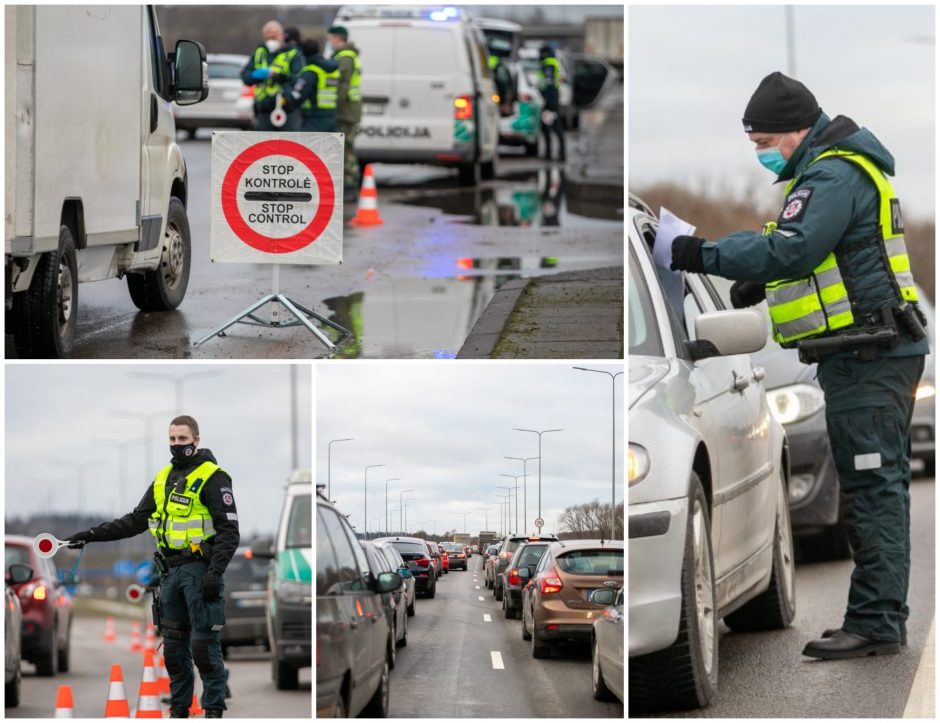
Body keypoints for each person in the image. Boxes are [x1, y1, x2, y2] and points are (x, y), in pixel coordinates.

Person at [670, 71, 929, 660]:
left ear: (793, 131)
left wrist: (702, 253)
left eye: (763, 142)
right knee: (872, 489)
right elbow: (818, 255)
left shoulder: (831, 174)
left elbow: (797, 246)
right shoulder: (832, 171)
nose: (761, 153)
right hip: (862, 355)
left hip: (872, 355)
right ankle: (875, 618)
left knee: (872, 491)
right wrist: (758, 282)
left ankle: (877, 623)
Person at [67, 416, 240, 717]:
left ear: (196, 440)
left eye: (182, 440)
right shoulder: (163, 479)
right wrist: (91, 535)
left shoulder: (214, 477)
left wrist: (215, 572)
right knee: (173, 652)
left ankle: (213, 710)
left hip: (200, 573)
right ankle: (179, 710)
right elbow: (135, 521)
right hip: (170, 575)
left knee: (203, 648)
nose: (176, 445)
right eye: (172, 439)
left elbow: (229, 532)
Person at [241, 20, 303, 131]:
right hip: (263, 108)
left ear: (282, 36)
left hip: (286, 108)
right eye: (267, 38)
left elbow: (298, 79)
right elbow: (246, 77)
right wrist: (257, 75)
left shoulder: (293, 54)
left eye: (274, 37)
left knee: (288, 144)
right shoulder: (259, 52)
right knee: (264, 145)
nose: (270, 41)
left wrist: (277, 76)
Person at [326, 25, 362, 203]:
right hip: (349, 111)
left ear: (338, 38)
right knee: (345, 149)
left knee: (347, 151)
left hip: (346, 112)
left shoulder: (345, 57)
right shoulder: (346, 56)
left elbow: (343, 85)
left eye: (331, 37)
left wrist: (335, 106)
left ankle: (350, 187)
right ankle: (348, 186)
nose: (329, 41)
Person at [284, 39, 340, 132]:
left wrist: (286, 87)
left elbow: (295, 97)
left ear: (304, 54)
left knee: (307, 146)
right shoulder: (331, 70)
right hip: (332, 118)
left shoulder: (311, 72)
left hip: (314, 120)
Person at [537, 45, 565, 162]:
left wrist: (547, 102)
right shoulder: (554, 63)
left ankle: (556, 154)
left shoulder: (548, 64)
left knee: (553, 127)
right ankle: (554, 153)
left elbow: (548, 83)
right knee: (550, 127)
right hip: (553, 98)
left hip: (550, 99)